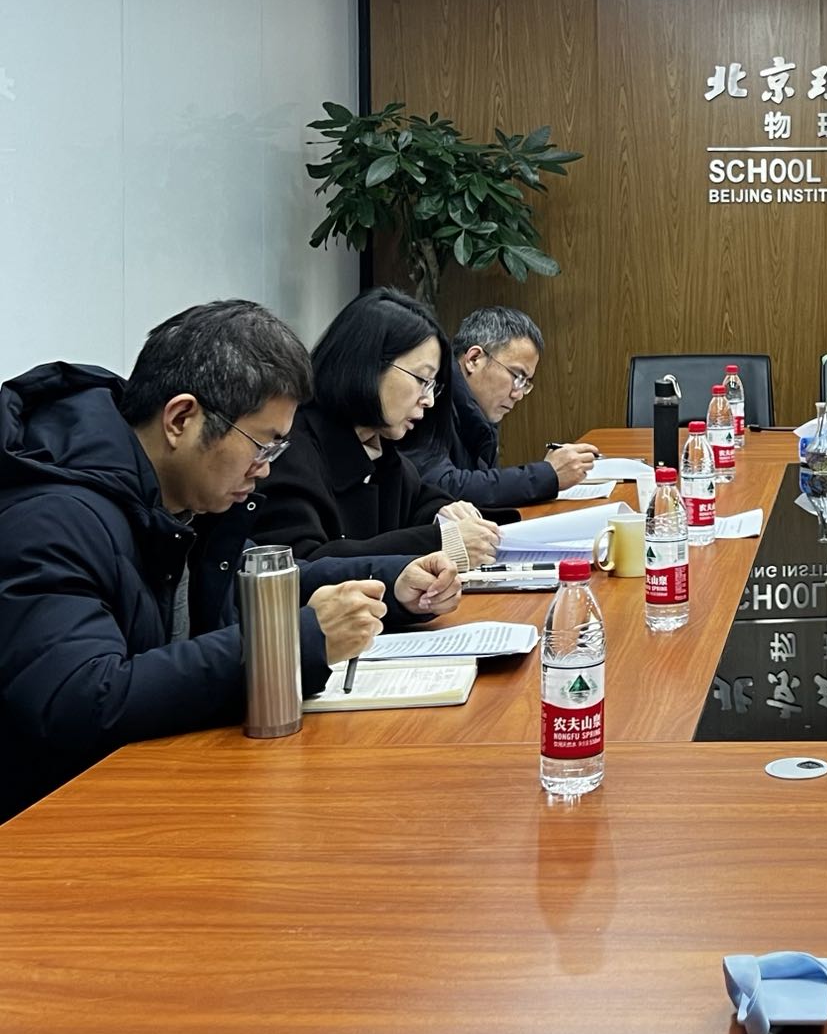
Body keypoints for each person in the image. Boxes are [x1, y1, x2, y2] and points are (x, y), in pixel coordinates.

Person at [0, 300, 463, 820]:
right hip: (60, 826)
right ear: (181, 419)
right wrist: (295, 641)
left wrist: (392, 583)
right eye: (262, 446)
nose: (265, 470)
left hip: (157, 788)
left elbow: (262, 579)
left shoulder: (182, 502)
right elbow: (82, 701)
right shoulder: (50, 521)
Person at [252, 288, 502, 566]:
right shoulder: (288, 451)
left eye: (433, 386)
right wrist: (440, 541)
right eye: (422, 379)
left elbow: (421, 501)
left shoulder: (380, 453)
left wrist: (445, 512)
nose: (429, 400)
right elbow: (304, 564)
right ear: (367, 365)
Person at [401, 305, 598, 507]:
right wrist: (546, 475)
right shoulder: (431, 397)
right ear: (474, 359)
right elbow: (439, 487)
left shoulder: (479, 408)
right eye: (517, 376)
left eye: (525, 383)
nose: (518, 394)